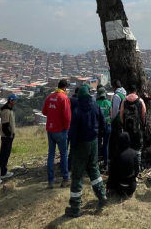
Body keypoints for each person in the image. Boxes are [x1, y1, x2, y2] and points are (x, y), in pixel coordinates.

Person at [65, 84, 108, 217]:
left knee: (77, 175)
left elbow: (72, 133)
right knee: (93, 168)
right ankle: (102, 196)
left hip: (81, 145)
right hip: (94, 142)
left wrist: (74, 147)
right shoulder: (96, 106)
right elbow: (104, 124)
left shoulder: (77, 111)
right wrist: (99, 136)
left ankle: (75, 207)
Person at [42, 79, 71, 188]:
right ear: (64, 88)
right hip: (61, 130)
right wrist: (67, 128)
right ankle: (65, 178)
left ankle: (50, 181)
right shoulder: (64, 99)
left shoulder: (49, 97)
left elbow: (44, 112)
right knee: (63, 154)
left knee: (51, 154)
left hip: (50, 129)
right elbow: (67, 117)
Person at [118, 85, 146, 175]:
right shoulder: (140, 101)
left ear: (129, 91)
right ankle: (137, 169)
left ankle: (127, 168)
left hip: (127, 129)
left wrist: (123, 124)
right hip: (137, 129)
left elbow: (121, 114)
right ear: (136, 92)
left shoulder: (125, 101)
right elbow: (143, 115)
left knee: (127, 148)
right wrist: (142, 125)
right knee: (138, 149)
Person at [0, 94, 17, 184]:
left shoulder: (9, 110)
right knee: (2, 156)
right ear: (11, 101)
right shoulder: (6, 111)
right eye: (14, 100)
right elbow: (5, 126)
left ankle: (4, 172)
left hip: (10, 136)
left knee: (6, 155)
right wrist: (9, 135)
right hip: (6, 137)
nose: (15, 102)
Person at [107, 131, 139, 199]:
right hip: (131, 188)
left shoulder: (116, 155)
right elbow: (137, 172)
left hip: (119, 189)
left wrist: (109, 186)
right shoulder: (134, 153)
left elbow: (111, 173)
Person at [96, 86, 112, 171]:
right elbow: (111, 115)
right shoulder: (109, 103)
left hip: (98, 126)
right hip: (107, 125)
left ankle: (96, 164)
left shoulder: (96, 103)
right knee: (106, 145)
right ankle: (106, 164)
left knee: (97, 145)